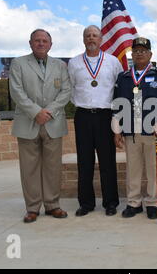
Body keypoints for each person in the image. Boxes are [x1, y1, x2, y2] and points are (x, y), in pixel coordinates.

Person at [9, 29, 71, 223]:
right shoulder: (18, 64)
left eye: (45, 41)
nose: (41, 44)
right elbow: (16, 91)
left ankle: (53, 205)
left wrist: (48, 111)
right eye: (37, 40)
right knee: (29, 168)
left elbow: (66, 91)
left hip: (53, 121)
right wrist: (36, 112)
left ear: (50, 45)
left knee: (53, 167)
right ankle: (32, 207)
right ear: (30, 43)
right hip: (28, 122)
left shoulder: (60, 65)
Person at [112, 37, 157, 219]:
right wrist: (116, 129)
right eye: (136, 51)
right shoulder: (123, 77)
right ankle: (134, 203)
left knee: (153, 168)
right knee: (133, 168)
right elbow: (117, 104)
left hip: (153, 131)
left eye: (143, 50)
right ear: (132, 54)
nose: (139, 53)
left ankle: (153, 203)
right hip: (130, 130)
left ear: (150, 54)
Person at [68, 25, 123, 217]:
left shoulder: (113, 62)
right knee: (85, 161)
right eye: (88, 36)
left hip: (105, 116)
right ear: (83, 39)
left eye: (95, 36)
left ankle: (111, 202)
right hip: (82, 115)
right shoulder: (74, 63)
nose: (91, 39)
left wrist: (118, 121)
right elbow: (70, 89)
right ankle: (86, 203)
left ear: (101, 40)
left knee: (108, 162)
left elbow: (119, 91)